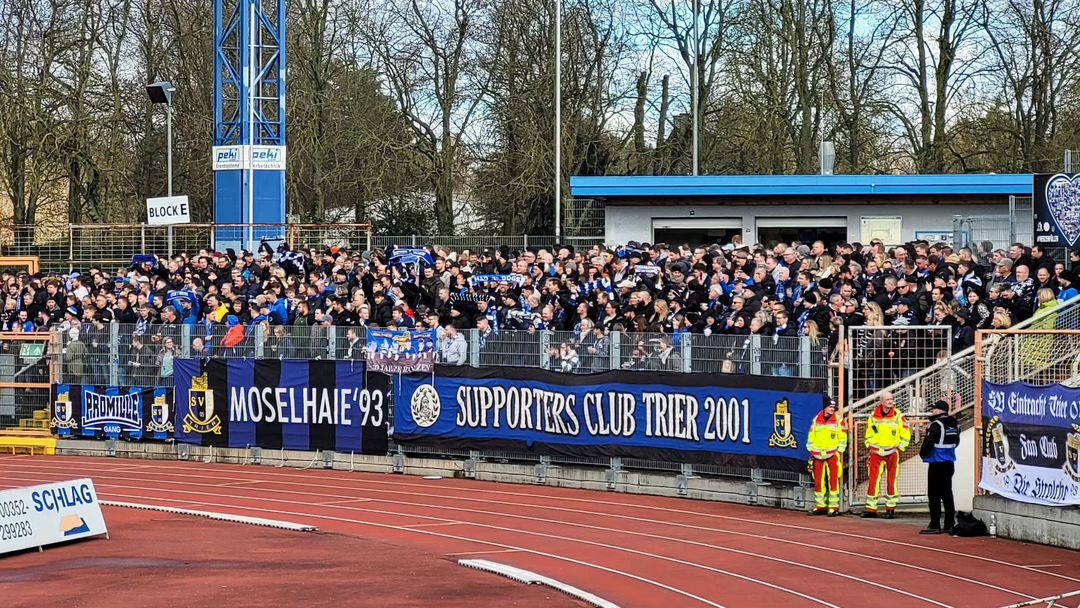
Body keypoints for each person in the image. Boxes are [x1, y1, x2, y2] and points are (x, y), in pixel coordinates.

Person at [862, 391, 911, 519]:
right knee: (873, 480)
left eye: (892, 399)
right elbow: (868, 432)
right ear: (882, 401)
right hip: (876, 452)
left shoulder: (898, 416)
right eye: (888, 399)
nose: (891, 401)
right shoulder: (873, 415)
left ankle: (890, 509)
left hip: (892, 452)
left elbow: (906, 434)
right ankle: (871, 509)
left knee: (891, 480)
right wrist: (869, 445)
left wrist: (900, 448)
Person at [919, 400, 959, 534]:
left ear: (940, 410)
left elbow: (929, 442)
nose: (932, 411)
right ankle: (949, 523)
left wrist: (922, 454)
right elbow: (956, 442)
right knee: (947, 494)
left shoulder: (936, 425)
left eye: (934, 409)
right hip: (949, 462)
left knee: (934, 494)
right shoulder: (954, 424)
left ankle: (935, 524)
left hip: (936, 462)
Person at [807, 398, 847, 516]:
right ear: (824, 407)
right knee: (818, 481)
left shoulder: (838, 421)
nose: (832, 409)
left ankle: (833, 506)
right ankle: (820, 505)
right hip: (818, 455)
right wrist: (812, 450)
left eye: (833, 407)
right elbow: (811, 436)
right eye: (830, 407)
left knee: (833, 480)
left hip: (832, 454)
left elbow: (843, 438)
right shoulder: (816, 420)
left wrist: (839, 451)